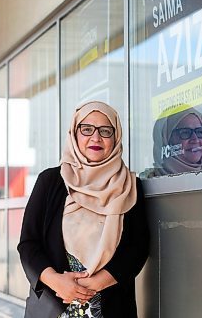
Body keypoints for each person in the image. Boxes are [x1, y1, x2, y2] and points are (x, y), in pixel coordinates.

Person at [17, 101, 149, 318]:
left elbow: (137, 248)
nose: (96, 138)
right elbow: (29, 245)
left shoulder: (129, 186)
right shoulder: (50, 181)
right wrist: (57, 282)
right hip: (52, 306)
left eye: (105, 131)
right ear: (74, 133)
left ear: (116, 138)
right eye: (86, 129)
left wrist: (93, 285)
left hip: (111, 308)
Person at [150, 107, 202, 176]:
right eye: (185, 132)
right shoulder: (148, 183)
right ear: (167, 139)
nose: (196, 140)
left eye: (199, 132)